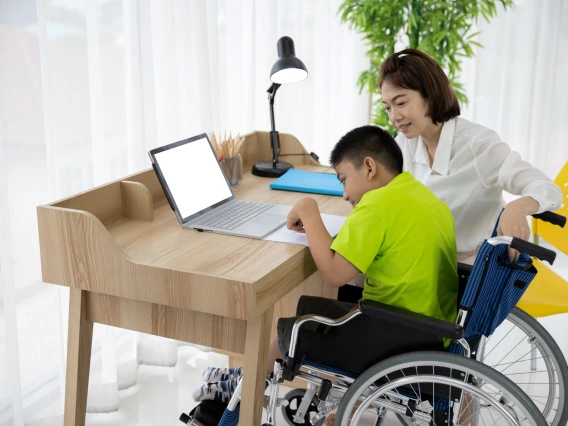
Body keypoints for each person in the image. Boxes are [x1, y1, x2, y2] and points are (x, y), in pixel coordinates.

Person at [192, 126, 459, 419]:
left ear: (369, 167)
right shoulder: (426, 198)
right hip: (431, 333)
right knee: (317, 310)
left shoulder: (376, 207)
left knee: (294, 328)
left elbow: (333, 273)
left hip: (395, 339)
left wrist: (308, 210)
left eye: (344, 179)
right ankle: (243, 376)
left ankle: (243, 384)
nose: (344, 194)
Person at [380, 48, 563, 263]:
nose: (394, 117)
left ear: (430, 95)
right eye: (387, 108)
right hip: (423, 262)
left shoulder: (478, 145)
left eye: (401, 103)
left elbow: (548, 190)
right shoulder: (404, 144)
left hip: (474, 269)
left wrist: (517, 207)